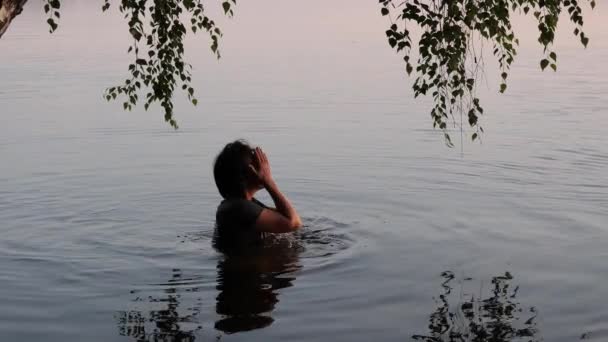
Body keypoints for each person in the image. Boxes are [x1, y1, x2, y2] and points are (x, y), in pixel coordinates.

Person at [213, 140, 302, 246]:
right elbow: (294, 223)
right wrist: (268, 181)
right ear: (249, 172)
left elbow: (283, 215)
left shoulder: (241, 205)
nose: (264, 168)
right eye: (259, 164)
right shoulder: (240, 208)